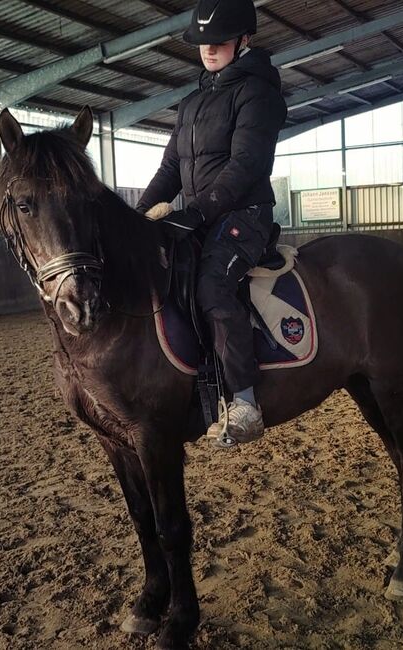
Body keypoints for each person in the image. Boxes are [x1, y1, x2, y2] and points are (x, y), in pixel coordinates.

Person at [137, 0, 287, 447]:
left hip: (245, 214)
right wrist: (139, 215)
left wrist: (198, 210)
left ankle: (244, 401)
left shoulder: (258, 94)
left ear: (245, 40)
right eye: (202, 42)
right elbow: (169, 171)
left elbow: (245, 164)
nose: (208, 49)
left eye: (219, 41)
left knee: (212, 284)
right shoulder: (191, 104)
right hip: (199, 216)